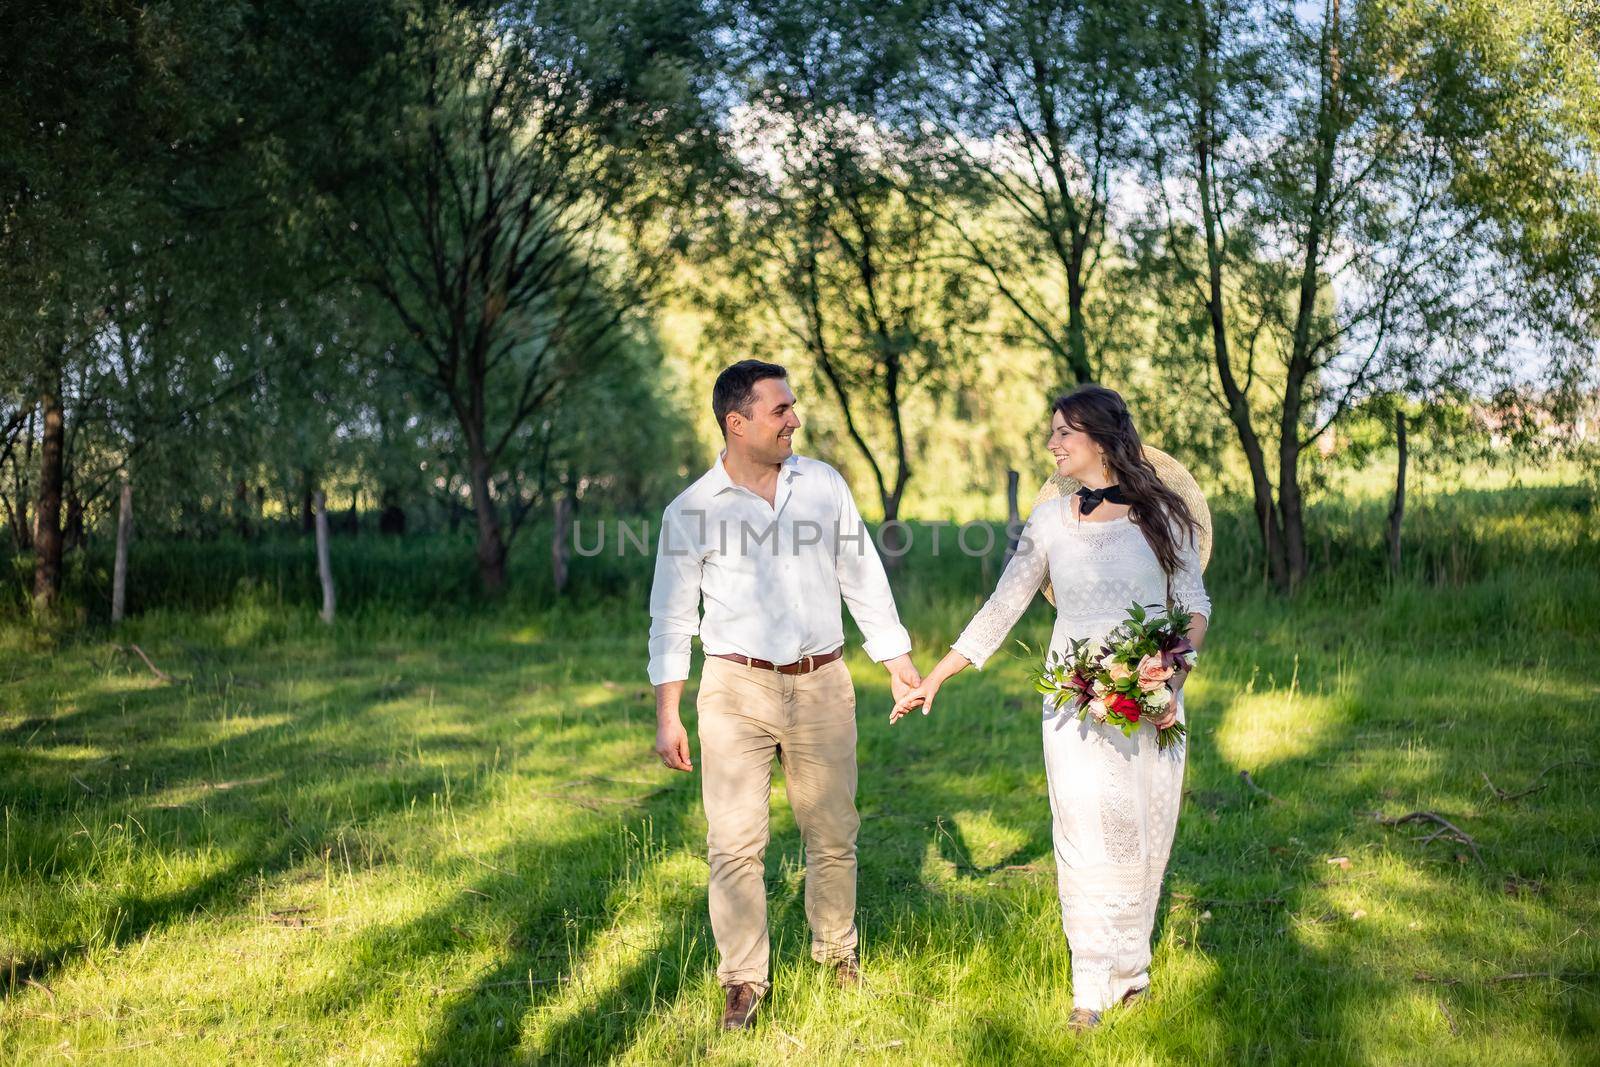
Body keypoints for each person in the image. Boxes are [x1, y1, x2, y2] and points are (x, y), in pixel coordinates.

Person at [890, 383, 1212, 1032]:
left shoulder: (1164, 516)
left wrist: (1171, 670)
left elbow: (1194, 605)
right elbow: (1002, 608)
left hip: (1154, 700)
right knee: (1081, 832)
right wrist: (939, 675)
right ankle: (1089, 986)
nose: (1052, 443)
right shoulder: (1048, 523)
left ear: (1101, 438)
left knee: (1142, 834)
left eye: (1065, 431)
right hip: (1073, 699)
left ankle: (1134, 971)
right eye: (1053, 431)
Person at [647, 359, 923, 1030]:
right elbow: (673, 615)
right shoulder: (691, 511)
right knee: (735, 841)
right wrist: (668, 712)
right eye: (780, 410)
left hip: (821, 681)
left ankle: (837, 955)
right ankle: (743, 979)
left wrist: (896, 659)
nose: (795, 419)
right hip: (734, 686)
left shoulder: (821, 484)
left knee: (833, 831)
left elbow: (861, 573)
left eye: (793, 406)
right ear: (736, 423)